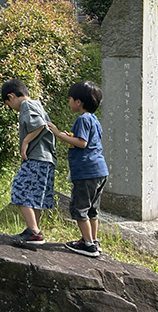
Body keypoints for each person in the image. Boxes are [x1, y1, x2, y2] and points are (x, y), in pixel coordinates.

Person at [47, 80, 108, 258]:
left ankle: (88, 245)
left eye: (70, 99)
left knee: (80, 209)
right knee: (92, 210)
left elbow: (82, 143)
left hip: (86, 172)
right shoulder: (94, 120)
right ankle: (92, 239)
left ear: (78, 102)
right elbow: (88, 142)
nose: (69, 102)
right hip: (100, 171)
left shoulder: (82, 119)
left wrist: (58, 134)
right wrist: (70, 138)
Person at [2, 78, 56, 245]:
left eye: (8, 103)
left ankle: (34, 231)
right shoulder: (37, 104)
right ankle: (34, 231)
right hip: (47, 159)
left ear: (11, 96)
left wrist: (25, 142)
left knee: (20, 190)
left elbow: (39, 125)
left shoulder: (26, 105)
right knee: (34, 197)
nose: (11, 108)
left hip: (36, 158)